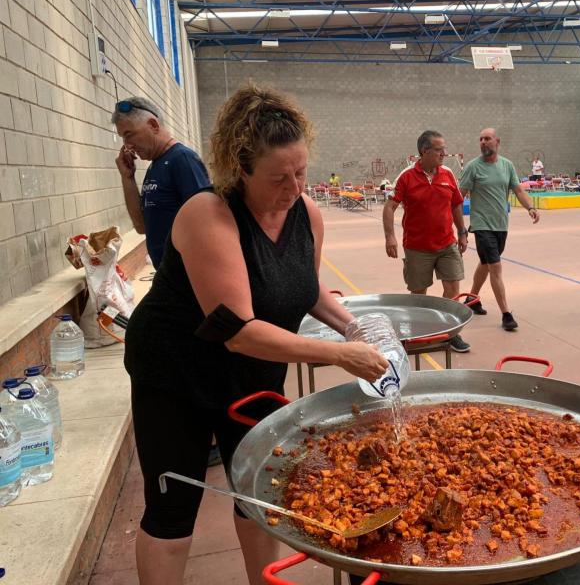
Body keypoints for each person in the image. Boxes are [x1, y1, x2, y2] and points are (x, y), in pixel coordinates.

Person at [123, 85, 388, 585]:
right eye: (278, 178)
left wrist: (356, 327)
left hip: (254, 371)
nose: (293, 188)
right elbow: (238, 331)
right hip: (177, 370)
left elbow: (308, 291)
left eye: (301, 173)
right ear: (239, 169)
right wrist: (341, 355)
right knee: (173, 504)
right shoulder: (209, 215)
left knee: (257, 494)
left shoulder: (304, 213)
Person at [383, 131, 470, 353]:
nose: (444, 153)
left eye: (444, 149)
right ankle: (419, 334)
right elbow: (389, 206)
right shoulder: (406, 177)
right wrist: (390, 236)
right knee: (418, 294)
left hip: (447, 244)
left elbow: (456, 204)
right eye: (439, 150)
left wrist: (462, 232)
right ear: (424, 151)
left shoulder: (448, 174)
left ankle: (450, 333)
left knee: (453, 289)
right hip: (417, 248)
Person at [113, 97, 211, 270]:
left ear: (153, 125)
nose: (127, 146)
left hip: (189, 280)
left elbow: (207, 226)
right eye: (122, 138)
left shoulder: (182, 160)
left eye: (129, 135)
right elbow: (141, 226)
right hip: (168, 279)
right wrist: (127, 178)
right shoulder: (155, 167)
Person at [459, 128, 540, 331]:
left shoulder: (507, 165)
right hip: (481, 225)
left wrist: (530, 206)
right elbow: (459, 196)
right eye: (481, 139)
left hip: (501, 225)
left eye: (487, 139)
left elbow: (518, 190)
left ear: (497, 141)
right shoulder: (473, 167)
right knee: (495, 266)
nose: (483, 142)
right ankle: (506, 314)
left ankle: (472, 299)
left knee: (486, 263)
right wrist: (459, 227)